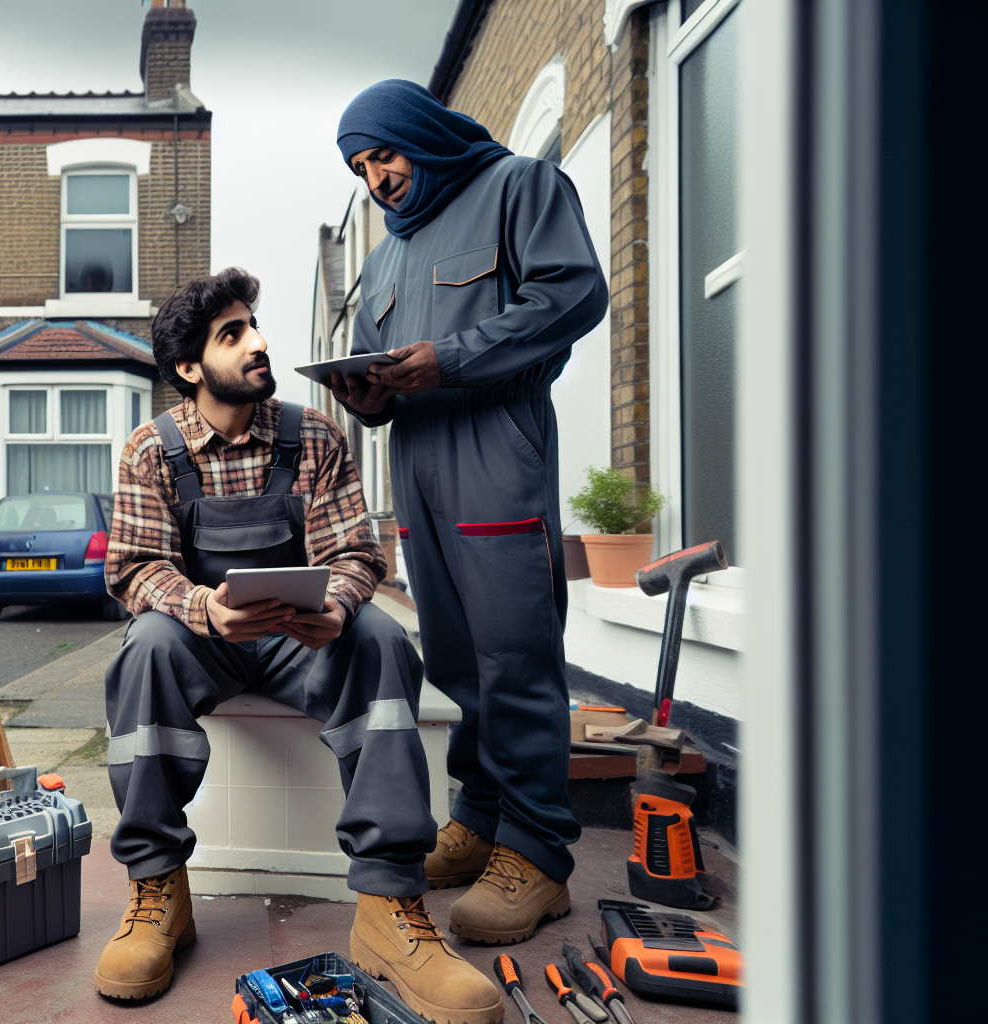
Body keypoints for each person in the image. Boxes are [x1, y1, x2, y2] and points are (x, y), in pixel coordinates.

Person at [93, 267, 503, 1024]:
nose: (259, 343)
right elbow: (136, 569)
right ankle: (159, 893)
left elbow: (354, 551)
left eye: (254, 326)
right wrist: (204, 609)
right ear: (189, 368)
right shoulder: (150, 450)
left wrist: (340, 607)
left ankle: (389, 906)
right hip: (201, 639)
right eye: (233, 334)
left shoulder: (311, 433)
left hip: (299, 639)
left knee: (382, 636)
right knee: (144, 648)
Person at [325, 80, 609, 947]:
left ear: (422, 134)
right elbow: (383, 368)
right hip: (416, 463)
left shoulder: (520, 186)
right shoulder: (384, 257)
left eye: (386, 154)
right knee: (454, 651)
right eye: (362, 167)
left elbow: (574, 294)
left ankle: (539, 854)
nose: (379, 178)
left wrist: (448, 358)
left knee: (513, 649)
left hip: (495, 450)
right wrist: (366, 392)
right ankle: (481, 818)